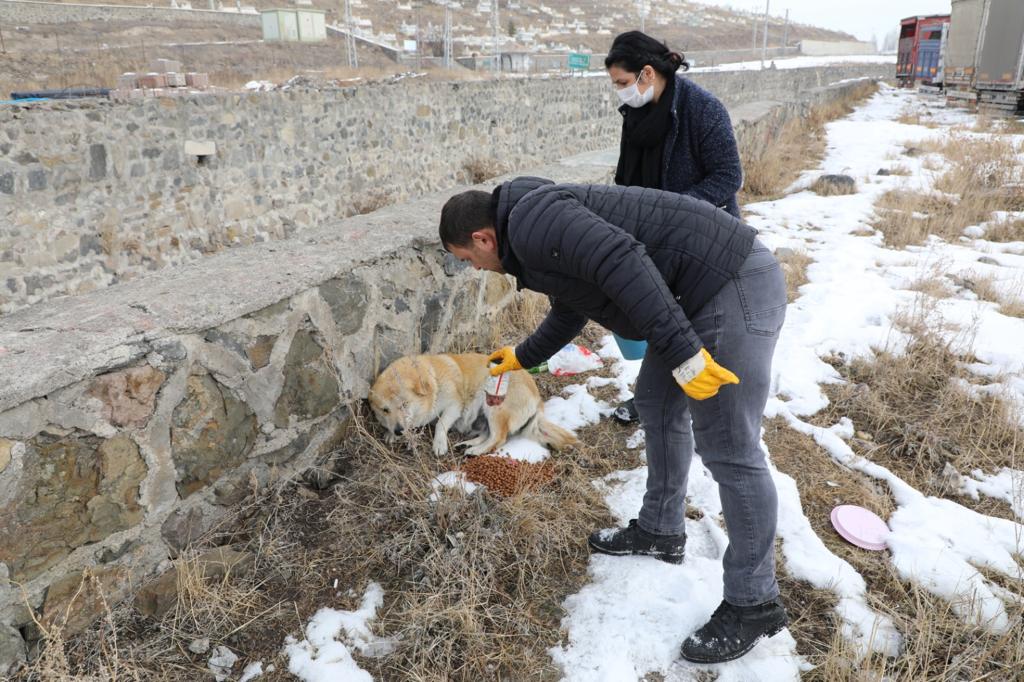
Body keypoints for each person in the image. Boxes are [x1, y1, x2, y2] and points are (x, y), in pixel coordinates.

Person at [438, 177, 787, 664]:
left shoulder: (533, 221)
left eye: (467, 258)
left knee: (730, 447)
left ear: (482, 238)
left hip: (731, 283)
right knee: (656, 403)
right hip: (692, 294)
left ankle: (754, 602)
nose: (473, 269)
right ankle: (661, 530)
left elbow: (622, 259)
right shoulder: (530, 231)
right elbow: (573, 305)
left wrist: (685, 354)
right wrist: (523, 355)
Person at [605, 31, 744, 424]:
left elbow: (728, 176)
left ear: (647, 73)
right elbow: (627, 179)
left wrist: (673, 211)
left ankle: (706, 402)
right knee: (659, 319)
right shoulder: (636, 115)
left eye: (622, 82)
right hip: (651, 235)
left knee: (697, 324)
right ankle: (654, 396)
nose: (620, 91)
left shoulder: (702, 109)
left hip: (701, 237)